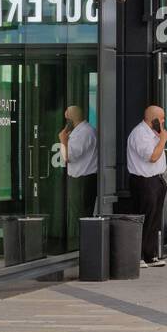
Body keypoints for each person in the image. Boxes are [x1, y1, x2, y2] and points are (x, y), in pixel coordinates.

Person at [126, 105, 167, 268]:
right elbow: (152, 157)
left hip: (156, 180)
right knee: (145, 217)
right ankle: (138, 256)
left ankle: (150, 255)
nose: (164, 121)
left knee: (155, 219)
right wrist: (163, 139)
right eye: (162, 117)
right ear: (154, 119)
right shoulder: (140, 134)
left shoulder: (154, 134)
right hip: (144, 181)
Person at [59, 106, 98, 250]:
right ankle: (83, 245)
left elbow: (68, 156)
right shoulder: (85, 130)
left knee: (80, 214)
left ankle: (84, 246)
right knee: (81, 213)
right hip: (84, 178)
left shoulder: (84, 133)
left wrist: (63, 140)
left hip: (82, 179)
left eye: (66, 116)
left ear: (71, 118)